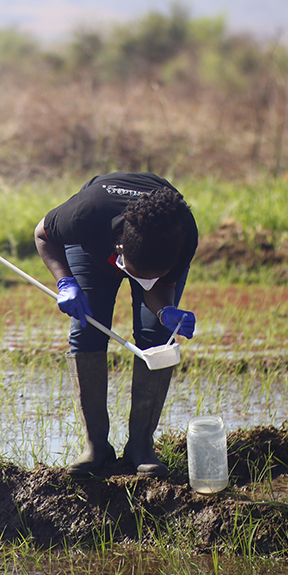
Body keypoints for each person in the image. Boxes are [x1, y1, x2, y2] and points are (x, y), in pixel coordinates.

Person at [34, 172, 198, 478]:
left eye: (151, 277)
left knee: (158, 339)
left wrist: (164, 311)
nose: (143, 283)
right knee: (87, 331)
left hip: (154, 250)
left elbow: (159, 286)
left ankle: (141, 447)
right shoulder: (87, 212)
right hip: (92, 247)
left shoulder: (181, 232)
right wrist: (65, 281)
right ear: (120, 250)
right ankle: (96, 446)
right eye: (139, 275)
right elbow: (42, 235)